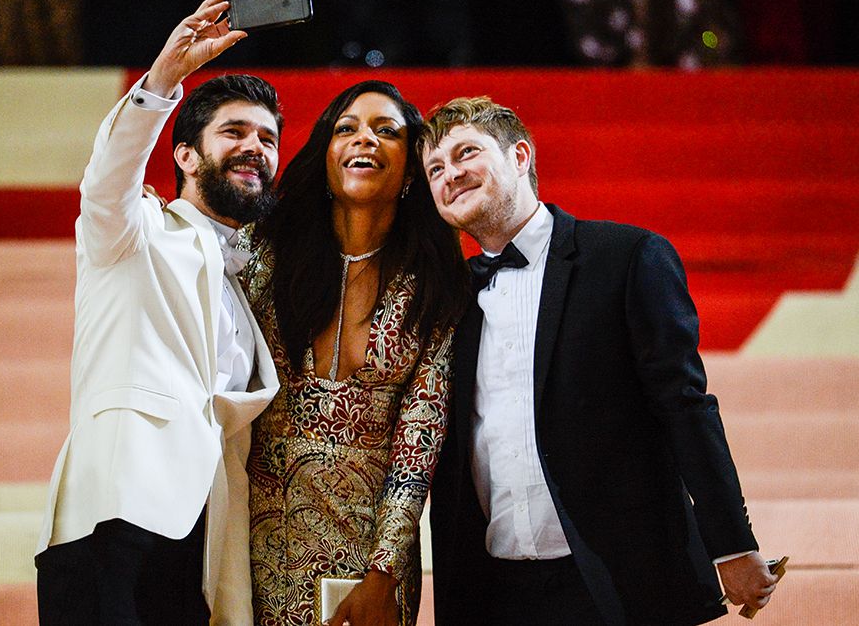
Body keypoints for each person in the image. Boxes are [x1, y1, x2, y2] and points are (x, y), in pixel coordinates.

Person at [420, 96, 779, 625]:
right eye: (434, 169)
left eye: (465, 153)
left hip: (617, 581)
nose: (450, 174)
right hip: (494, 589)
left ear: (520, 157)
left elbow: (685, 408)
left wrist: (730, 544)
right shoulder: (448, 299)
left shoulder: (626, 257)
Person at [34, 0, 281, 624]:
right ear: (186, 155)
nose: (256, 146)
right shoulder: (132, 232)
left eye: (267, 138)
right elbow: (108, 176)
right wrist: (162, 81)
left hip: (203, 533)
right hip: (114, 514)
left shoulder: (245, 277)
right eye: (235, 132)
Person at [239, 81, 469, 625]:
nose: (364, 138)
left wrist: (385, 570)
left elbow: (420, 436)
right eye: (347, 128)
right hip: (250, 537)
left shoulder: (432, 287)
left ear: (411, 171)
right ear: (325, 155)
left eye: (385, 131)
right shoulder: (260, 255)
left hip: (370, 555)